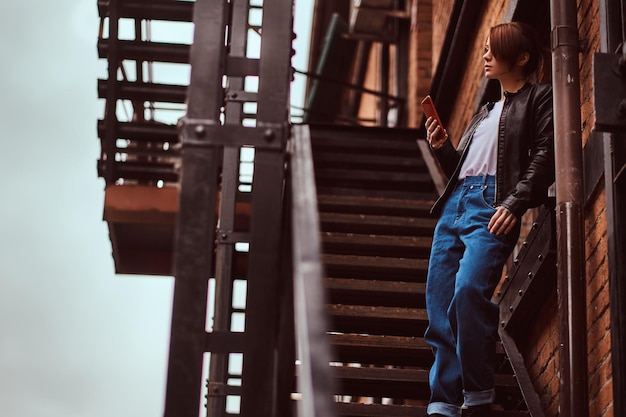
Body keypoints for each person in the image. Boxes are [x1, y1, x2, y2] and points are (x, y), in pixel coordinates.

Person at [423, 22, 554, 417]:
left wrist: (514, 204)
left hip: (492, 205)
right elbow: (460, 169)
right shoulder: (483, 113)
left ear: (522, 58)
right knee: (439, 302)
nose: (484, 56)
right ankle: (444, 400)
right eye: (483, 49)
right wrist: (445, 148)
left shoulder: (538, 99)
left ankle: (477, 394)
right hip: (455, 206)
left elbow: (546, 155)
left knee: (467, 292)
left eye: (492, 50)